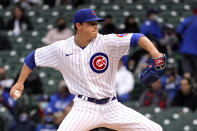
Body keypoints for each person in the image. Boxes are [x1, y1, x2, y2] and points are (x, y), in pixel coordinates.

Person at [10, 8, 166, 131]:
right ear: (78, 26)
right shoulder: (62, 48)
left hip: (112, 106)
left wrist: (156, 55)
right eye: (91, 23)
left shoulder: (106, 42)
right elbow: (33, 57)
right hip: (84, 108)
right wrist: (20, 83)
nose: (95, 26)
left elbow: (137, 37)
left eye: (96, 23)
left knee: (154, 129)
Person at [176, 5, 197, 81]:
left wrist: (183, 42)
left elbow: (178, 32)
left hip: (185, 49)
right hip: (195, 51)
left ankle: (187, 85)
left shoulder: (188, 20)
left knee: (187, 72)